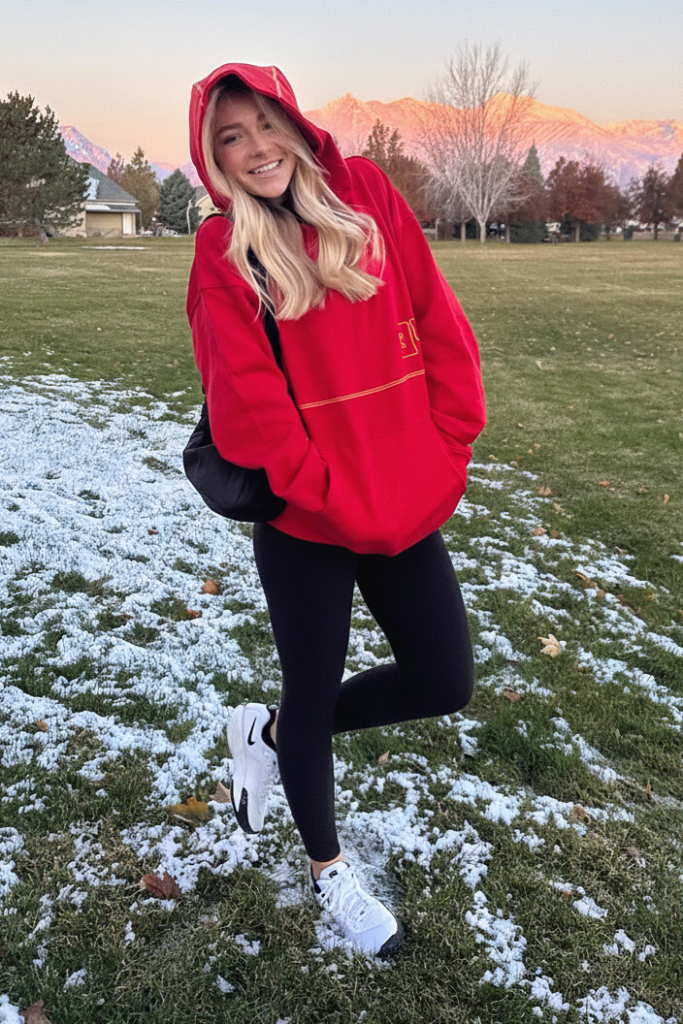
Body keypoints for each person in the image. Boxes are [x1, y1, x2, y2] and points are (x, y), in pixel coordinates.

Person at [187, 63, 486, 957]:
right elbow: (245, 404)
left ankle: (269, 735)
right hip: (309, 518)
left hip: (404, 491)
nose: (253, 150)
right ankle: (331, 871)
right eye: (229, 139)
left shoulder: (364, 193)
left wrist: (450, 435)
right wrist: (324, 492)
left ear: (292, 121)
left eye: (262, 124)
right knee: (312, 689)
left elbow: (435, 314)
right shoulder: (224, 251)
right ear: (215, 159)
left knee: (442, 681)